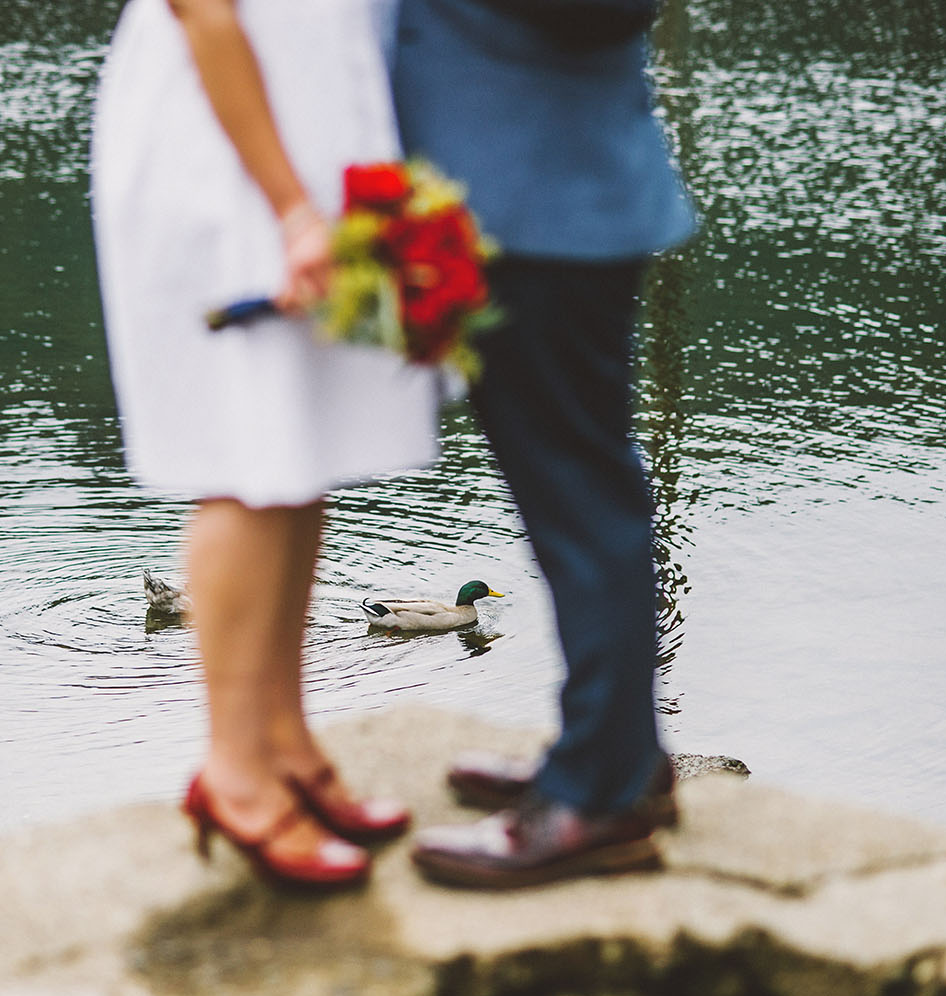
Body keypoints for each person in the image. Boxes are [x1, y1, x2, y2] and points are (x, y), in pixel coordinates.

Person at [90, 0, 444, 888]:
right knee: (246, 466)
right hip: (227, 171)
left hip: (314, 167)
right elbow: (205, 14)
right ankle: (234, 772)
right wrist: (291, 206)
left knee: (299, 461)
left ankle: (284, 740)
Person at [389, 0, 698, 888]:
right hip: (522, 197)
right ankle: (617, 758)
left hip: (544, 199)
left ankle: (600, 795)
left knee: (584, 497)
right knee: (573, 494)